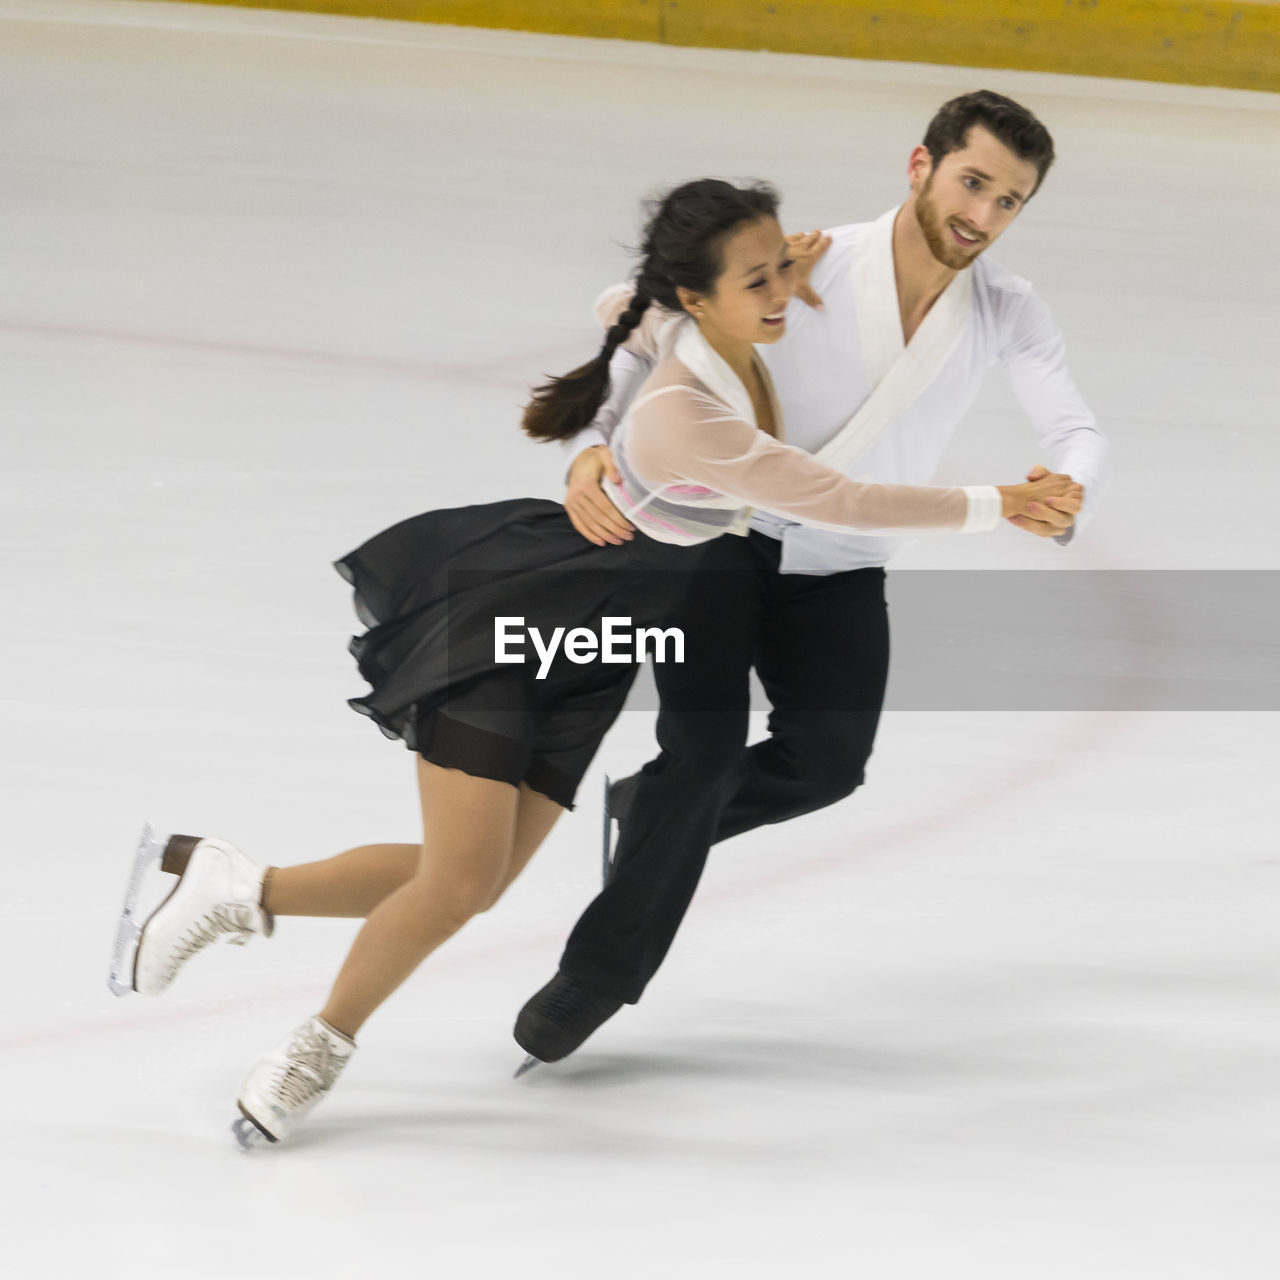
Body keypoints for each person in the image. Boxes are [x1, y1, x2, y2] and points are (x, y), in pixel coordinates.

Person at [107, 178, 1077, 1148]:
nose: (785, 291)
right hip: (521, 629)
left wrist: (771, 266)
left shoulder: (704, 334)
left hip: (597, 646)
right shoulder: (692, 410)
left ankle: (237, 886)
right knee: (454, 886)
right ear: (697, 298)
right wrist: (1002, 501)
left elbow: (619, 307)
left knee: (472, 878)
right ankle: (311, 1053)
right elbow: (842, 499)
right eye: (757, 278)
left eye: (785, 266)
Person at [514, 90, 1110, 1066]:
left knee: (826, 763)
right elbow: (643, 327)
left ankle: (650, 811)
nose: (981, 214)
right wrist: (586, 448)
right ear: (918, 166)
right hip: (717, 542)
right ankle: (598, 974)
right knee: (701, 756)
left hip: (839, 562)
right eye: (971, 182)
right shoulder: (810, 258)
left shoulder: (1004, 309)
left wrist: (1064, 485)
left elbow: (1073, 428)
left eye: (1008, 201)